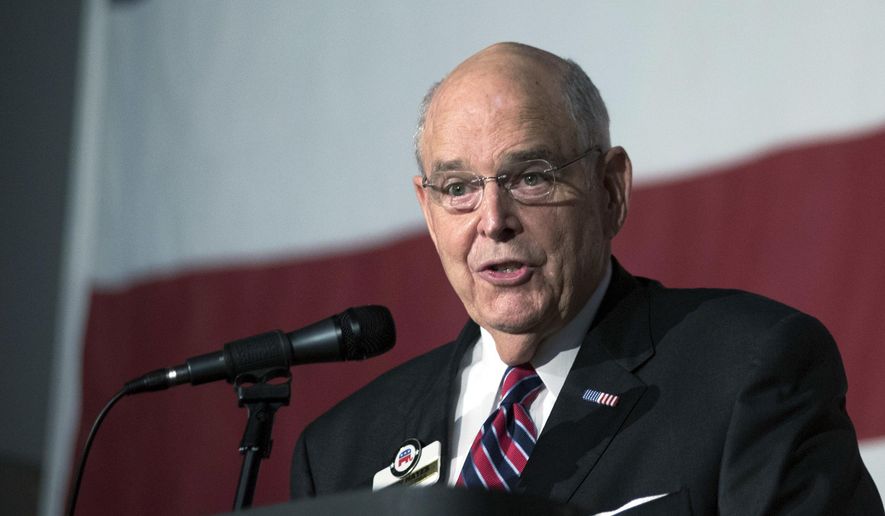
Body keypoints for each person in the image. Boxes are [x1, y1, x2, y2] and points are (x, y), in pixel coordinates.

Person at [291, 42, 883, 514]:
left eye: (531, 177)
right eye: (458, 188)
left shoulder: (747, 370)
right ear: (428, 210)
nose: (493, 222)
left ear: (610, 190)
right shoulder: (341, 452)